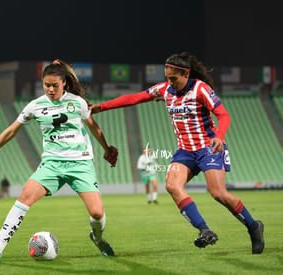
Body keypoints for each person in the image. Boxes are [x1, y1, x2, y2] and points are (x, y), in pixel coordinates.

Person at [90, 52, 264, 254]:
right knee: (172, 185)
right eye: (167, 78)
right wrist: (101, 108)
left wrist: (220, 136)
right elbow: (135, 98)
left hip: (209, 148)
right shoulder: (165, 90)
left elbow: (223, 115)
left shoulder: (201, 89)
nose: (169, 82)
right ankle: (204, 230)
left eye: (173, 78)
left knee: (218, 194)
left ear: (186, 74)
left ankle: (254, 226)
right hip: (185, 150)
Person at [0, 59, 119, 262]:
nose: (50, 89)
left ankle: (97, 237)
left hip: (80, 163)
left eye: (55, 85)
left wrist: (107, 149)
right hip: (51, 164)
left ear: (64, 83)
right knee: (25, 196)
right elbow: (11, 131)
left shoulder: (77, 103)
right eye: (46, 85)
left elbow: (94, 127)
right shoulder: (35, 106)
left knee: (96, 213)